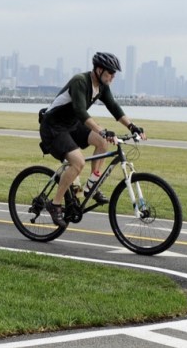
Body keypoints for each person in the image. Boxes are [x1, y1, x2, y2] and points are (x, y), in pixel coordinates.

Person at [38, 51, 145, 227]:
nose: (112, 77)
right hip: (53, 127)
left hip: (71, 125)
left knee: (103, 143)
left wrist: (132, 126)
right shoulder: (80, 81)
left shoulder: (102, 86)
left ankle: (91, 186)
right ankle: (55, 204)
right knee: (78, 163)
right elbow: (81, 111)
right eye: (110, 73)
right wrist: (101, 129)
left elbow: (114, 107)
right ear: (99, 70)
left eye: (114, 74)